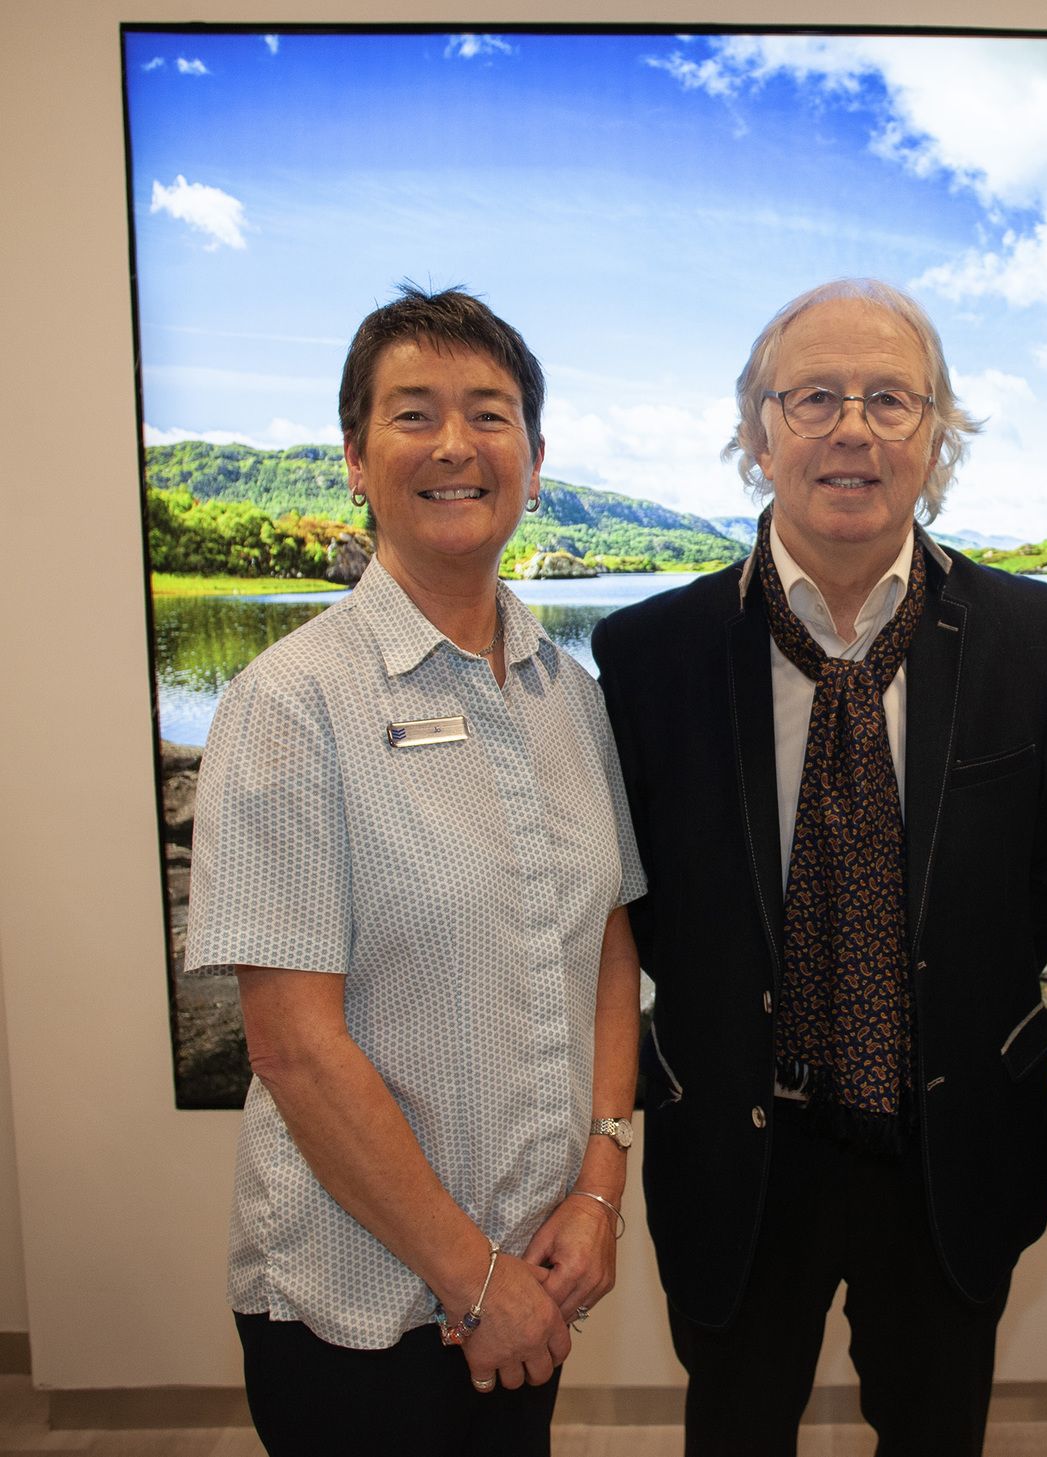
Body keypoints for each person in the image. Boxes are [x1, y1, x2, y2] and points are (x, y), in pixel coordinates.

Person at [591, 277, 1047, 1456]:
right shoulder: (648, 654)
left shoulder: (1025, 635)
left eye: (889, 398)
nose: (852, 428)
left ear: (936, 436)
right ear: (755, 432)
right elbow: (638, 903)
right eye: (814, 395)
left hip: (948, 1151)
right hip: (738, 1142)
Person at [185, 286, 646, 1455]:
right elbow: (293, 1045)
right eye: (412, 414)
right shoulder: (289, 704)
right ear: (353, 457)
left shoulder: (569, 696)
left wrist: (598, 1183)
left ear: (534, 462)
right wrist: (471, 1276)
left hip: (539, 1271)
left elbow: (603, 940)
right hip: (362, 1313)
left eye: (489, 414)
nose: (455, 445)